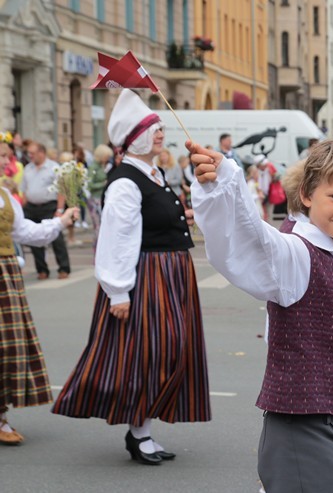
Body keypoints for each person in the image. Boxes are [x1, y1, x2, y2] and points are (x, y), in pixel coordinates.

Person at [189, 137, 333, 492]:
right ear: (308, 195)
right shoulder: (295, 252)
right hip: (298, 430)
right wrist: (224, 182)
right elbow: (251, 239)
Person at [52, 89, 211, 465]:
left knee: (166, 353)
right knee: (150, 355)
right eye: (151, 129)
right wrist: (118, 292)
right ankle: (139, 434)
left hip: (171, 274)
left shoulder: (151, 173)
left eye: (158, 127)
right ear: (133, 138)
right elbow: (117, 238)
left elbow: (152, 219)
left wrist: (183, 216)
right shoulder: (126, 181)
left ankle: (143, 432)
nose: (159, 133)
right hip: (148, 277)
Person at [0, 140, 77, 445]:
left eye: (5, 157)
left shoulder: (6, 196)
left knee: (7, 348)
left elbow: (26, 232)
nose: (4, 163)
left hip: (5, 275)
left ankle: (1, 417)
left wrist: (60, 221)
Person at [20, 142, 71, 280]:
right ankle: (42, 269)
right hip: (31, 207)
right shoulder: (28, 168)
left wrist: (60, 209)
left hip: (49, 205)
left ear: (42, 153)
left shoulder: (53, 168)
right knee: (33, 238)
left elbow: (61, 190)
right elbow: (24, 190)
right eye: (29, 153)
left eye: (33, 153)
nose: (30, 156)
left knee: (56, 238)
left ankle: (63, 268)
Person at [87, 144, 113, 249]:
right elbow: (89, 184)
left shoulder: (101, 166)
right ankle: (97, 250)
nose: (108, 159)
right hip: (94, 199)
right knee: (98, 227)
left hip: (101, 198)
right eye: (107, 156)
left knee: (103, 226)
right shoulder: (93, 167)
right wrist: (103, 184)